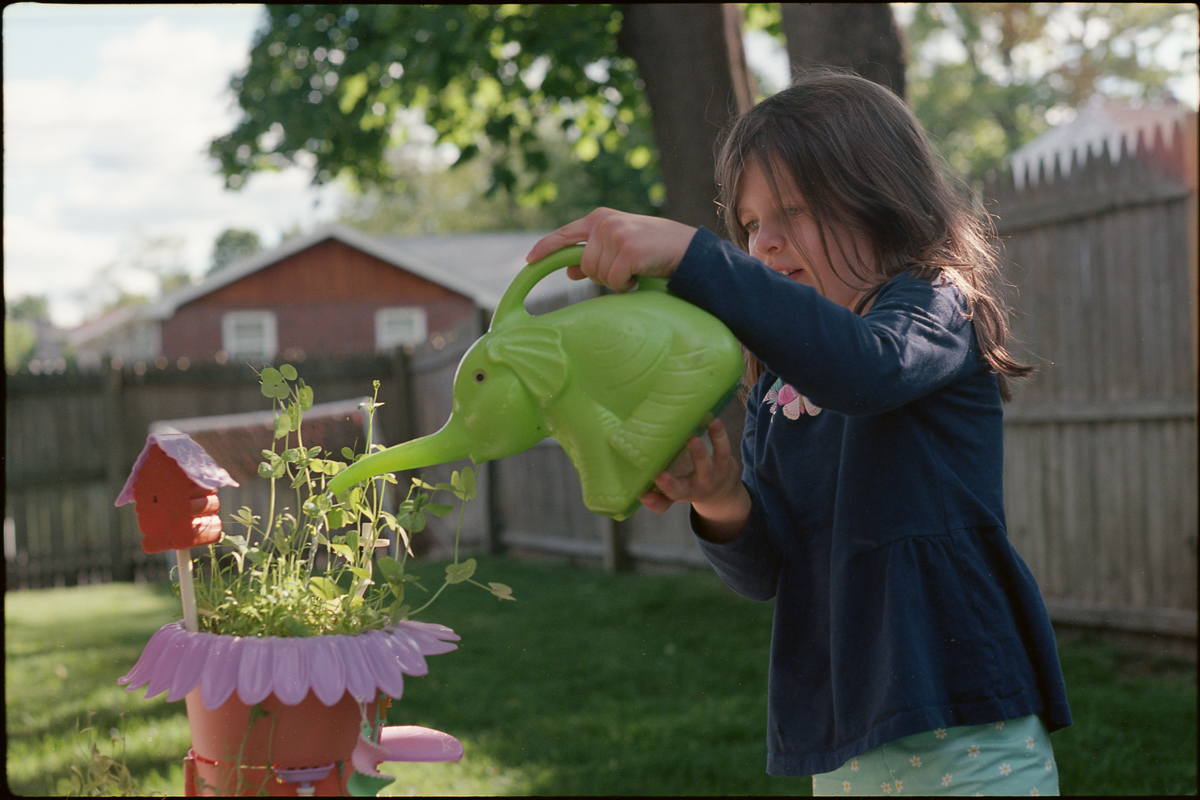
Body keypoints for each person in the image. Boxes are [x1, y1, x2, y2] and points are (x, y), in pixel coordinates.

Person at [527, 71, 1071, 796]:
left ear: (883, 200)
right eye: (749, 224)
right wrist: (720, 500)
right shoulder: (780, 385)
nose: (765, 243)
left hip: (967, 726)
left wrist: (691, 256)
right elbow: (766, 570)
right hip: (842, 743)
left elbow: (865, 371)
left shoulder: (936, 303)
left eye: (794, 210)